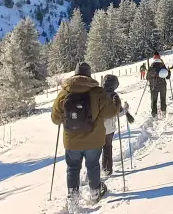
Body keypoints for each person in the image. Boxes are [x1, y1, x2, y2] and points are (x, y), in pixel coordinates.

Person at [51, 62, 120, 207]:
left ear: (75, 74)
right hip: (94, 140)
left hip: (71, 141)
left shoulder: (64, 93)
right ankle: (95, 190)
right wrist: (116, 103)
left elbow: (55, 119)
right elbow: (111, 112)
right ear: (89, 74)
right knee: (93, 164)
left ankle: (73, 196)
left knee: (73, 167)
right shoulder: (98, 92)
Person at [101, 74, 129, 177]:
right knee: (107, 147)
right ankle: (107, 169)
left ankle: (94, 171)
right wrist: (125, 109)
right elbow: (119, 113)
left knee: (96, 149)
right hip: (109, 128)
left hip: (97, 126)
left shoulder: (98, 94)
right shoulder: (114, 96)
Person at [146, 52, 170, 119]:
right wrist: (169, 72)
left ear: (154, 58)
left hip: (153, 86)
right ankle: (163, 112)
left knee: (154, 101)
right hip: (162, 86)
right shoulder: (163, 66)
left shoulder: (151, 67)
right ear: (159, 58)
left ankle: (154, 115)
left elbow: (147, 77)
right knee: (163, 99)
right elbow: (168, 77)